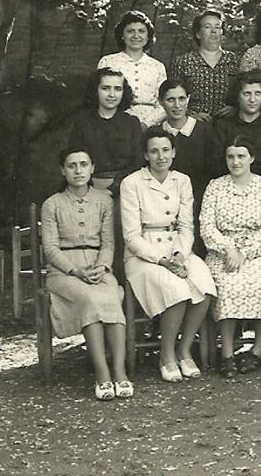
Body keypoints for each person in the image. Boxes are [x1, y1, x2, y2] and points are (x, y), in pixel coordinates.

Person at [120, 127, 217, 382]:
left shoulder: (182, 181)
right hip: (144, 254)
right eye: (154, 151)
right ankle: (166, 355)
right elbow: (131, 237)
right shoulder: (132, 183)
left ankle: (184, 350)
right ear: (145, 155)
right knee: (176, 289)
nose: (160, 156)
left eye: (165, 150)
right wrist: (162, 260)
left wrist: (180, 255)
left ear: (174, 152)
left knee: (205, 285)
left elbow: (186, 226)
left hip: (177, 248)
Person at [41, 146, 130, 400]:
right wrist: (76, 270)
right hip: (63, 272)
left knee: (112, 296)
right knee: (89, 298)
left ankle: (120, 371)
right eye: (72, 166)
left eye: (83, 165)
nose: (78, 171)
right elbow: (50, 248)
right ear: (63, 170)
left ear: (92, 168)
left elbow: (108, 243)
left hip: (97, 267)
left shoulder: (104, 201)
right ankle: (102, 375)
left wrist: (101, 267)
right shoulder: (52, 204)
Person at [199, 135, 261, 378]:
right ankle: (227, 354)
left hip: (258, 250)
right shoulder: (215, 187)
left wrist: (245, 252)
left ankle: (257, 350)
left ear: (252, 158)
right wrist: (229, 249)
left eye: (241, 156)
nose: (235, 162)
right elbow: (207, 226)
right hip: (223, 250)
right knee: (227, 284)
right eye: (231, 157)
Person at [158, 79, 223, 253]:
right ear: (161, 102)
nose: (177, 105)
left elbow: (216, 168)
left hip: (200, 197)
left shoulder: (204, 130)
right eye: (170, 100)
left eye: (182, 99)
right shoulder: (158, 134)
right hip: (168, 198)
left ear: (188, 99)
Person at [69, 68, 143, 194]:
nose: (112, 95)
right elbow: (75, 159)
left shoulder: (132, 123)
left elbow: (138, 163)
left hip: (126, 189)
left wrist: (112, 190)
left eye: (118, 89)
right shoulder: (82, 123)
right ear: (95, 90)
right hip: (88, 189)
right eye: (105, 88)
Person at [98, 10, 168, 128]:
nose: (136, 36)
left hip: (151, 126)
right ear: (122, 35)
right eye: (130, 31)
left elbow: (165, 102)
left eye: (141, 31)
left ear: (148, 36)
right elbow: (100, 96)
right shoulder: (108, 62)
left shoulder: (157, 66)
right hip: (116, 123)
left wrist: (147, 124)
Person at [214, 69, 261, 181]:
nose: (252, 100)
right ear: (237, 97)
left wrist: (240, 156)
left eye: (257, 93)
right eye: (247, 94)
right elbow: (219, 163)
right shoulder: (223, 126)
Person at [171, 10, 240, 121]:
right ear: (198, 34)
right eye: (207, 27)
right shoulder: (183, 62)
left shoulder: (234, 61)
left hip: (227, 124)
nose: (213, 31)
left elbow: (244, 92)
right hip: (193, 124)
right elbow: (172, 96)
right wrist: (191, 115)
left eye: (218, 27)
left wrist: (235, 109)